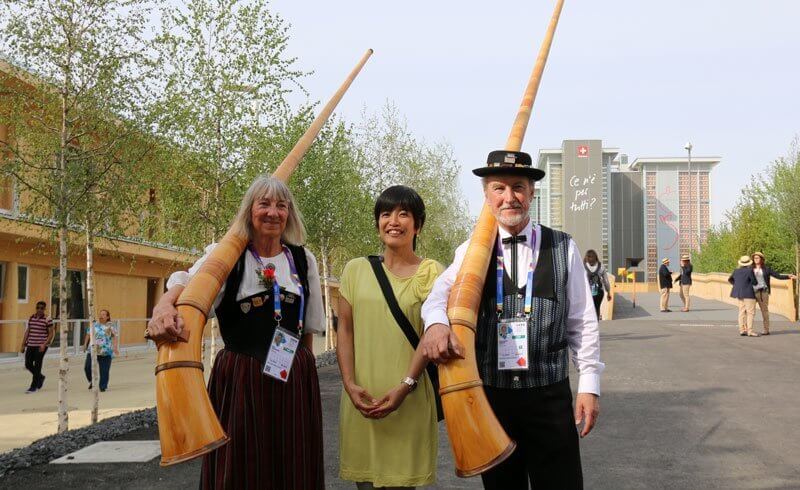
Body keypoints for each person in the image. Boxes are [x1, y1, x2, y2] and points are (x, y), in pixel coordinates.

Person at [420, 150, 603, 489]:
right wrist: (437, 324)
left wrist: (589, 385)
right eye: (499, 189)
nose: (509, 197)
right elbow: (435, 299)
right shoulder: (471, 251)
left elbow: (582, 322)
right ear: (487, 196)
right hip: (493, 400)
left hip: (549, 398)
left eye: (518, 187)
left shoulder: (563, 247)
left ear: (532, 192)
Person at [146, 175, 326, 489]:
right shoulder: (227, 254)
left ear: (289, 213)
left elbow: (308, 328)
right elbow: (186, 281)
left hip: (294, 376)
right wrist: (163, 304)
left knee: (295, 462)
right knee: (242, 466)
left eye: (281, 206)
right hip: (242, 377)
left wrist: (304, 377)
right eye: (264, 204)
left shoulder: (302, 258)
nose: (273, 212)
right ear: (249, 211)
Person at [337, 185, 443, 489]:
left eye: (404, 214)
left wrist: (405, 386)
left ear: (418, 225)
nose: (393, 221)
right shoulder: (355, 270)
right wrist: (349, 384)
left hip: (408, 399)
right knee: (365, 483)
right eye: (386, 214)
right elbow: (345, 328)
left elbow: (430, 334)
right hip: (362, 399)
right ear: (377, 223)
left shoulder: (431, 272)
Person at [750, 252, 796, 335]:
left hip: (763, 292)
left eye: (757, 258)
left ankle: (766, 330)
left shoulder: (766, 269)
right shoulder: (750, 268)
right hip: (752, 292)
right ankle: (748, 330)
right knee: (750, 311)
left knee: (764, 311)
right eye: (754, 258)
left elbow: (777, 276)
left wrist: (788, 276)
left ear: (761, 259)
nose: (756, 259)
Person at [19, 301, 54, 393]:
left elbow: (51, 333)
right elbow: (28, 331)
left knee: (37, 365)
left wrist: (45, 344)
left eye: (42, 308)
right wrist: (23, 344)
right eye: (38, 307)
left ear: (44, 309)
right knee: (28, 364)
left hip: (41, 345)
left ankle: (34, 386)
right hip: (30, 344)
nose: (39, 309)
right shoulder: (32, 317)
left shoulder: (47, 319)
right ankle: (40, 377)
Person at [83, 309, 119, 391]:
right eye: (100, 314)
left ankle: (102, 387)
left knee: (104, 371)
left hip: (106, 352)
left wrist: (115, 347)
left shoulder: (111, 326)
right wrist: (85, 344)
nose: (101, 316)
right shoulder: (94, 325)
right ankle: (92, 381)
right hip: (93, 350)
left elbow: (114, 337)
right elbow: (88, 334)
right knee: (87, 367)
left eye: (103, 315)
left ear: (107, 317)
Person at [729, 255, 759, 337]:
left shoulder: (736, 271)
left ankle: (742, 330)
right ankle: (750, 331)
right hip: (749, 294)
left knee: (741, 312)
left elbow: (730, 279)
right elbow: (754, 282)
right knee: (750, 313)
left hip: (740, 294)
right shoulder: (750, 271)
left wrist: (737, 285)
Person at [583, 249, 611, 320]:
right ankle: (596, 326)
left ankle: (588, 327)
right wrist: (608, 293)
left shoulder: (583, 266)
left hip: (586, 292)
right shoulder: (601, 266)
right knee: (596, 308)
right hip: (599, 292)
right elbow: (606, 282)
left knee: (587, 310)